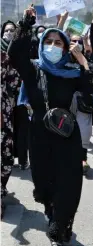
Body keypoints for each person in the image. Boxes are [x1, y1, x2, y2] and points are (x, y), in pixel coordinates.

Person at [8, 7, 93, 246]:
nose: (52, 45)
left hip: (67, 134)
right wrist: (26, 24)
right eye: (48, 41)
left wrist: (81, 59)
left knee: (68, 185)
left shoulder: (72, 71)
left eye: (58, 42)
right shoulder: (33, 69)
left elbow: (92, 87)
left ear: (65, 46)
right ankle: (51, 212)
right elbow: (14, 53)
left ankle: (59, 231)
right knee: (44, 183)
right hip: (39, 134)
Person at [1, 20, 21, 219]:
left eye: (11, 31)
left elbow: (15, 83)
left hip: (4, 113)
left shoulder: (10, 58)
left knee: (5, 155)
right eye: (5, 31)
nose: (8, 34)